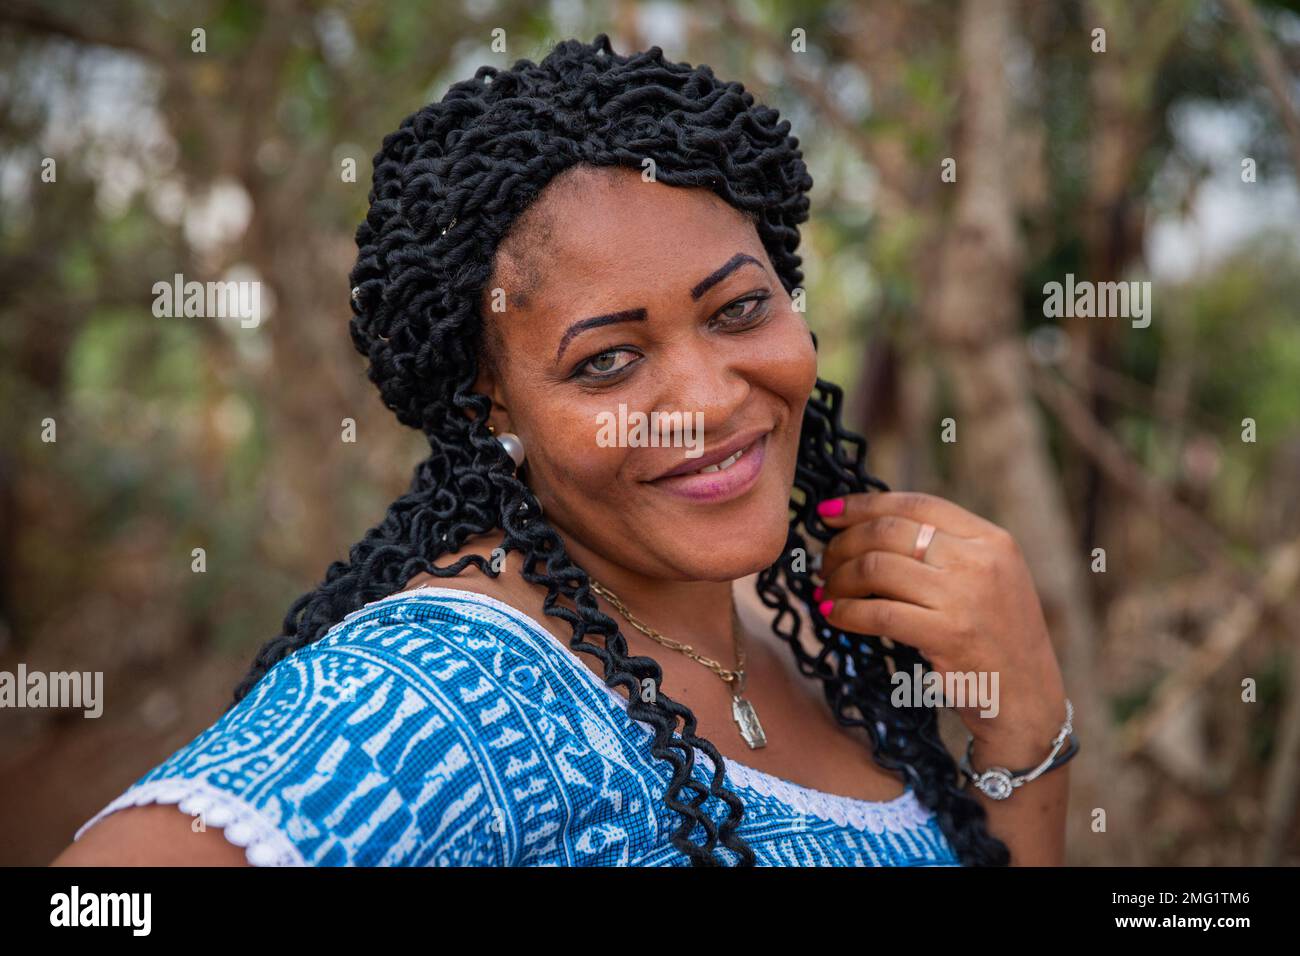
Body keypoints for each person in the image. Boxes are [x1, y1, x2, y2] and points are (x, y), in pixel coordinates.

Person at [53, 34, 1071, 868]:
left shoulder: (812, 646)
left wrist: (1023, 733)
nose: (709, 399)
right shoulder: (449, 691)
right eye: (607, 361)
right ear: (492, 402)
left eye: (739, 309)